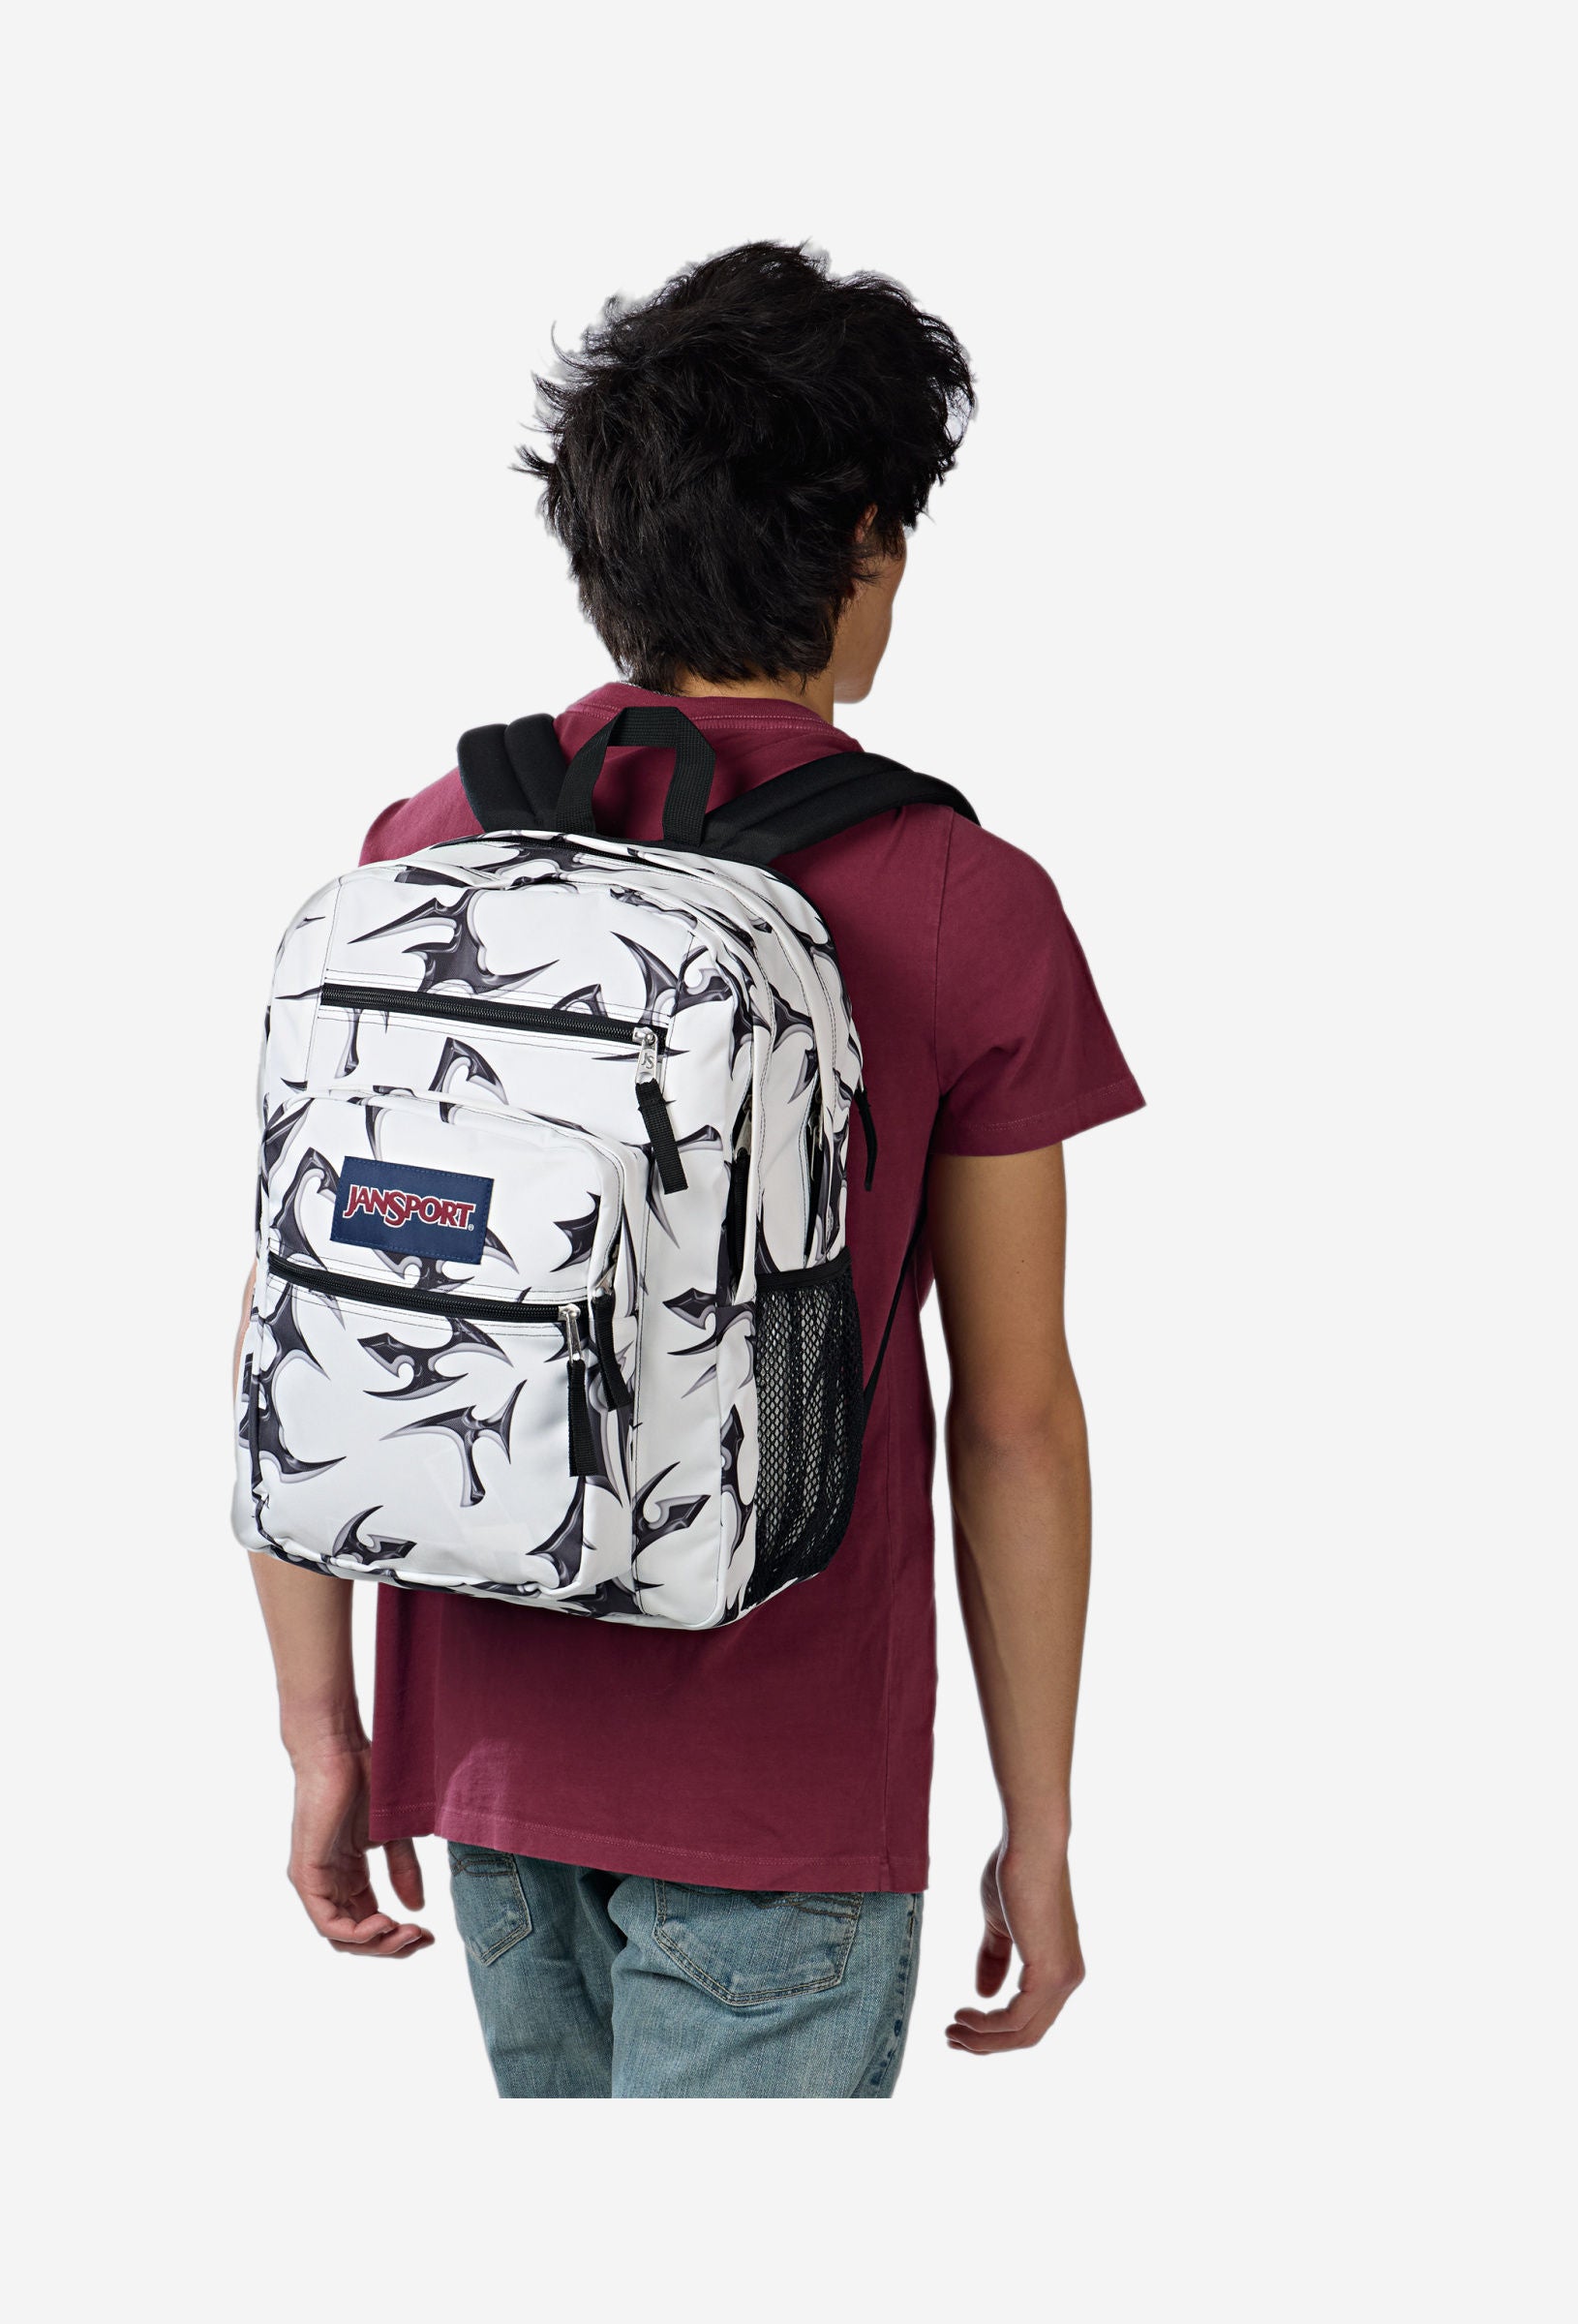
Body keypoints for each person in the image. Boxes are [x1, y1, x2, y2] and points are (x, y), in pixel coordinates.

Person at [237, 242, 1143, 2098]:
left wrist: (322, 1734)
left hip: (486, 1760)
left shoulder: (431, 846)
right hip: (783, 1791)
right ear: (866, 544)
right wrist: (1040, 1827)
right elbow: (1015, 1417)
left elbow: (303, 1297)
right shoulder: (964, 897)